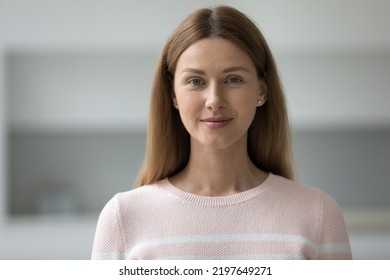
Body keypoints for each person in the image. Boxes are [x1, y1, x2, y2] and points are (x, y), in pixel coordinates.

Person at [91, 5, 352, 260]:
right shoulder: (123, 218)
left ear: (262, 90)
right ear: (173, 94)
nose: (214, 99)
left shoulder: (317, 214)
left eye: (233, 79)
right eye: (196, 81)